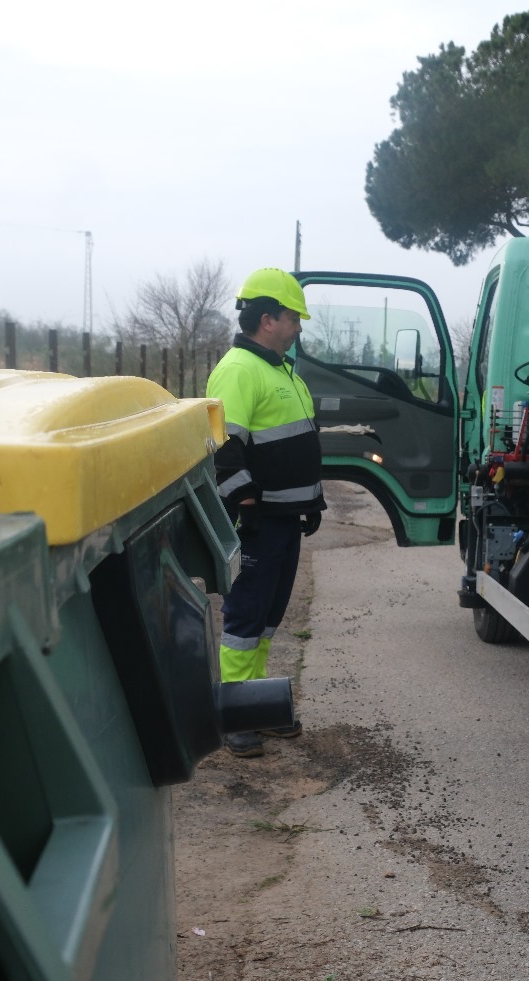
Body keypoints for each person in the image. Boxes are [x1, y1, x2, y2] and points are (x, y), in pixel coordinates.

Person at [208, 267, 326, 757]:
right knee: (245, 617)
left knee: (270, 616)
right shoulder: (238, 369)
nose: (299, 325)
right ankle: (235, 715)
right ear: (267, 319)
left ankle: (256, 705)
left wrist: (310, 500)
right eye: (293, 317)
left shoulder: (280, 368)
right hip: (257, 520)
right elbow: (221, 448)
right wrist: (247, 504)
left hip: (283, 516)